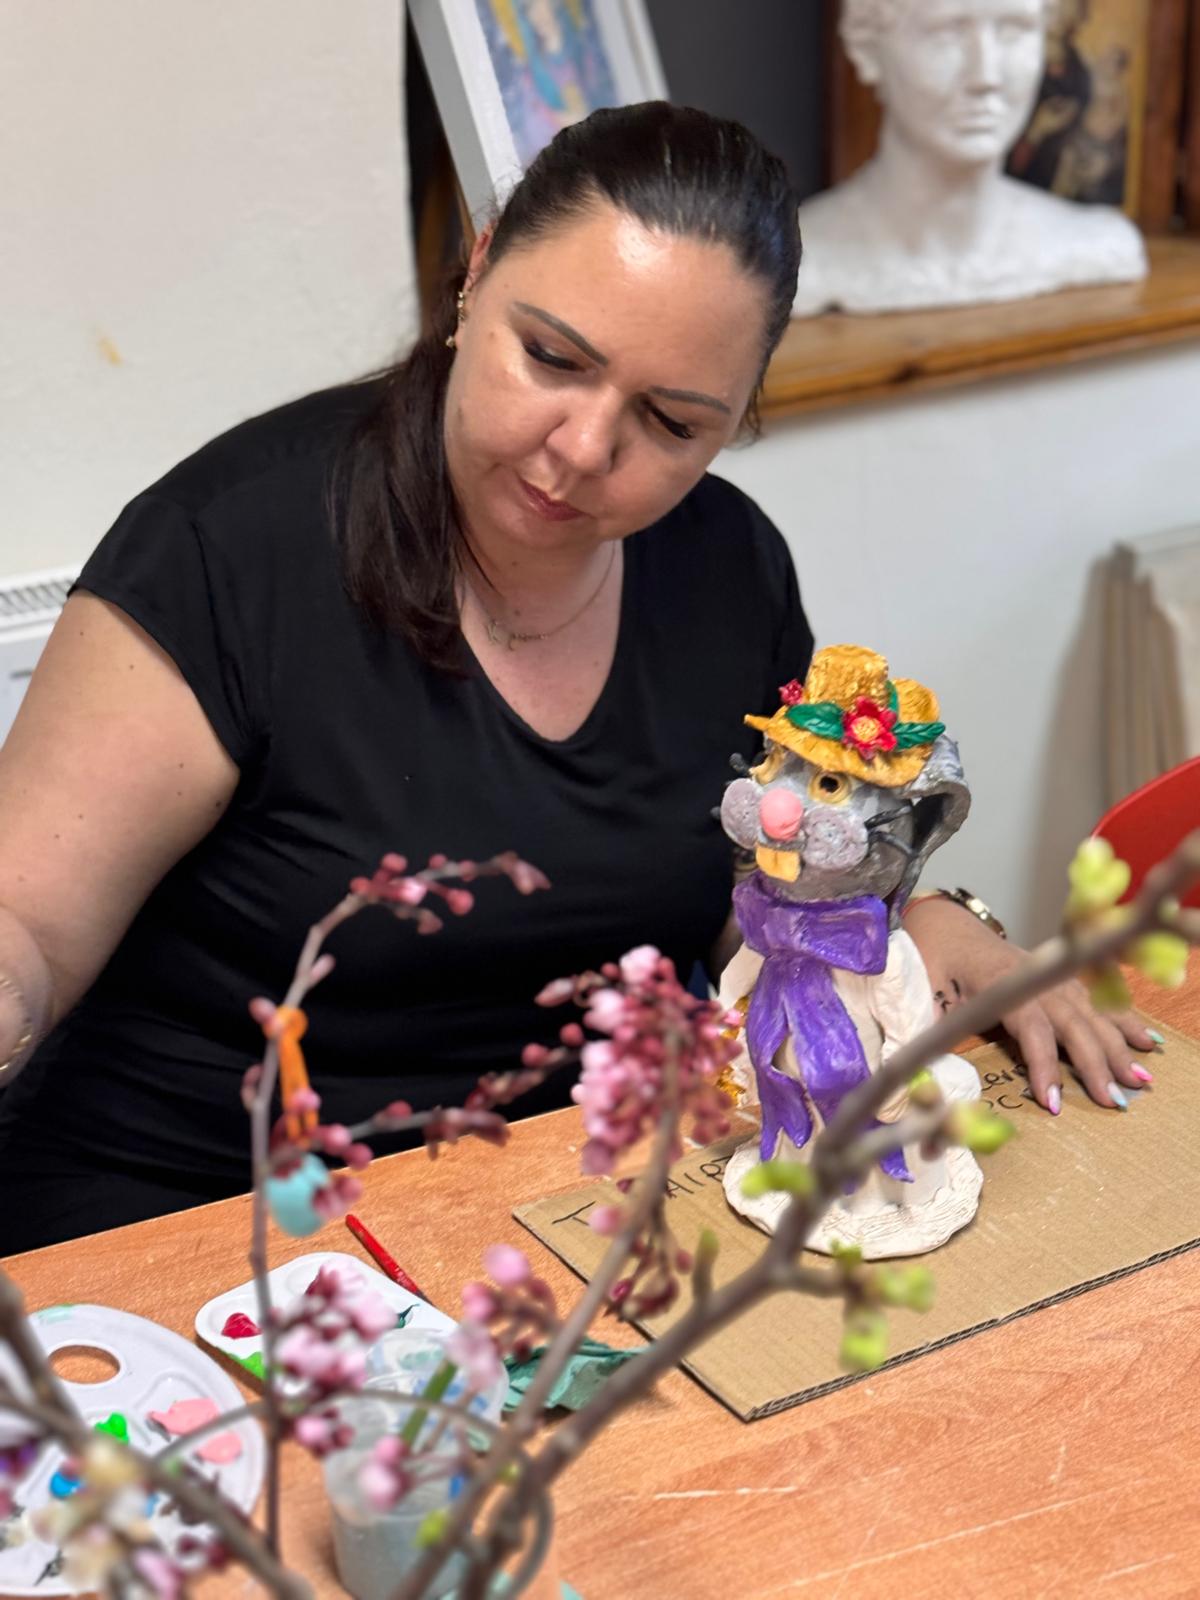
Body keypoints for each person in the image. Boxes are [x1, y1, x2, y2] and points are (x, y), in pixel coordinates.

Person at [0, 102, 1153, 1255]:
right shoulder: (228, 550)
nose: (584, 448)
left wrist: (923, 928)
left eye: (671, 420)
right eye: (552, 358)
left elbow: (752, 896)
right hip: (189, 1222)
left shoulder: (727, 567)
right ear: (477, 271)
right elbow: (30, 931)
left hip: (557, 1209)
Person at [791, 0, 1145, 315]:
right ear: (868, 49)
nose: (985, 76)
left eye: (1012, 31)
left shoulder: (1095, 242)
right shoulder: (797, 262)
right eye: (946, 33)